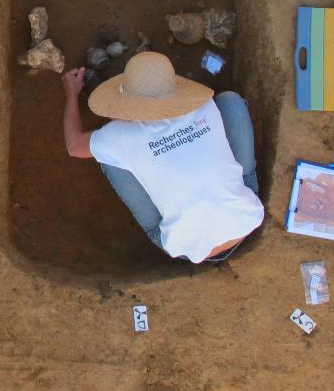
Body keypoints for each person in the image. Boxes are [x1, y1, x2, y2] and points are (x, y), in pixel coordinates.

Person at [61, 51, 264, 263]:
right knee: (230, 102)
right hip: (246, 218)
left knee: (112, 161)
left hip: (187, 247)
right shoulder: (204, 106)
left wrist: (71, 95)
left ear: (125, 104)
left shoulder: (118, 136)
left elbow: (74, 145)